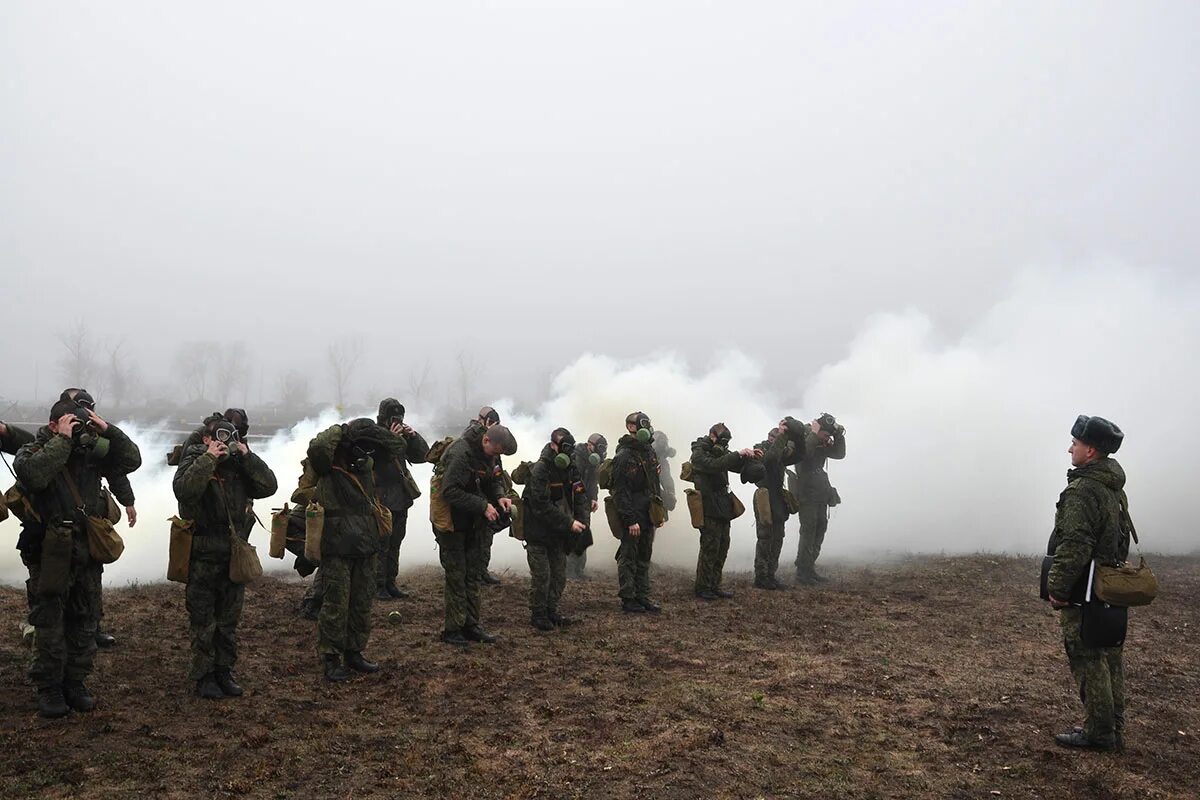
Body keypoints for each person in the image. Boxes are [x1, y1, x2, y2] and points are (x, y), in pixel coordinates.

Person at [14, 398, 141, 717]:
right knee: (50, 621)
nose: (79, 429)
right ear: (53, 424)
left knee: (85, 618)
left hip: (86, 549)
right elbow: (34, 475)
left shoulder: (92, 451)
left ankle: (75, 682)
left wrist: (107, 429)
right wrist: (62, 440)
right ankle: (50, 688)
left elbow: (130, 460)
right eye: (71, 422)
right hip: (50, 549)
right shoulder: (35, 449)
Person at [173, 414, 277, 699]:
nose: (224, 442)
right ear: (206, 439)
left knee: (229, 620)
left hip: (233, 554)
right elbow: (184, 491)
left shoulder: (239, 465)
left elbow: (269, 486)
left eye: (229, 437)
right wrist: (209, 458)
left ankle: (224, 670)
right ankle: (204, 675)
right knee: (204, 621)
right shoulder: (194, 458)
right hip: (203, 555)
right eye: (217, 436)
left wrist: (246, 456)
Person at [1046, 414, 1131, 751]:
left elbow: (1075, 544)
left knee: (1088, 659)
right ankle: (1113, 725)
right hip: (1110, 587)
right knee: (1110, 658)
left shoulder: (1083, 490)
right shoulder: (1112, 488)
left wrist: (1057, 588)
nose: (1070, 449)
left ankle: (1100, 733)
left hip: (1085, 591)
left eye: (1076, 444)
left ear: (1091, 451)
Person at [307, 418, 394, 681]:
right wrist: (342, 431)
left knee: (361, 602)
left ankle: (354, 651)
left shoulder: (366, 464)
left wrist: (370, 431)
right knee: (336, 603)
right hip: (337, 546)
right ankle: (331, 658)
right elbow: (318, 447)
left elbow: (396, 445)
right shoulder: (328, 465)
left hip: (366, 543)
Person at [62, 389, 135, 647]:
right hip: (58, 528)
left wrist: (128, 501)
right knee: (57, 585)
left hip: (89, 526)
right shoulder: (51, 437)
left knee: (91, 580)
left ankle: (92, 629)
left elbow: (121, 466)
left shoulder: (94, 441)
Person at [434, 422, 516, 645]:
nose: (495, 457)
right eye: (495, 452)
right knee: (457, 577)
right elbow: (449, 491)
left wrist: (499, 496)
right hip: (453, 525)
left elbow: (494, 479)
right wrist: (482, 506)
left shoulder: (490, 454)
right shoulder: (461, 453)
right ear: (486, 440)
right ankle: (453, 629)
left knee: (473, 575)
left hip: (473, 524)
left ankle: (471, 625)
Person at [522, 428, 589, 630]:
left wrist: (581, 521)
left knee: (559, 575)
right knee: (542, 576)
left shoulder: (571, 468)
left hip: (558, 532)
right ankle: (538, 614)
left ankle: (551, 610)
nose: (568, 452)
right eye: (564, 447)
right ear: (553, 445)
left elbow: (579, 496)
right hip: (538, 532)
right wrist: (568, 523)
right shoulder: (541, 470)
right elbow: (540, 505)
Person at [690, 423, 757, 600]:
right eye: (721, 440)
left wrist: (748, 458)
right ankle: (703, 586)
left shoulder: (721, 451)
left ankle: (714, 584)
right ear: (711, 435)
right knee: (710, 547)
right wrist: (737, 454)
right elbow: (713, 465)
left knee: (722, 546)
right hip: (708, 505)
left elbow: (733, 464)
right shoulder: (699, 451)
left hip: (722, 504)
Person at [372, 398, 430, 600]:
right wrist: (391, 438)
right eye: (392, 417)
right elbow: (376, 462)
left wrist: (413, 437)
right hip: (380, 498)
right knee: (381, 544)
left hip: (400, 497)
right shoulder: (374, 435)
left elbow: (423, 455)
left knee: (396, 541)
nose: (396, 420)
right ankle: (377, 585)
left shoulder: (400, 435)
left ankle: (390, 582)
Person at [611, 412, 665, 613]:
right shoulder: (624, 455)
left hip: (648, 511)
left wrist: (659, 513)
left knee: (644, 556)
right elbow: (620, 491)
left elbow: (654, 484)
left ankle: (643, 596)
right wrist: (630, 519)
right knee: (628, 556)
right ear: (630, 427)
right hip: (632, 512)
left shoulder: (649, 452)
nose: (647, 427)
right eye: (642, 424)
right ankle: (628, 598)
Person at [744, 418, 806, 590]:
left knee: (778, 537)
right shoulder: (760, 448)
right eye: (772, 436)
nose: (774, 438)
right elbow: (770, 459)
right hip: (764, 496)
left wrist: (797, 436)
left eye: (776, 436)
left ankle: (771, 574)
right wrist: (782, 436)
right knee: (765, 537)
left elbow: (800, 455)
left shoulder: (781, 451)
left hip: (778, 497)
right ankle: (761, 576)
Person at [790, 413, 846, 584]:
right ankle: (802, 572)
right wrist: (814, 435)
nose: (826, 438)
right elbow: (803, 455)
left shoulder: (819, 440)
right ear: (817, 429)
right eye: (825, 434)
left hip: (821, 490)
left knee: (820, 527)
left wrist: (838, 436)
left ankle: (809, 567)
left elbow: (839, 454)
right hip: (807, 492)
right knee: (809, 530)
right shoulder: (804, 438)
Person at [464, 406, 507, 585]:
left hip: (488, 493)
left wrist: (499, 494)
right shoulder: (470, 438)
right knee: (473, 538)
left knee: (487, 535)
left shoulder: (493, 443)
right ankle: (471, 571)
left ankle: (482, 570)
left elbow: (496, 468)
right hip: (473, 495)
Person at [566, 433, 605, 580]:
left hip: (585, 502)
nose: (601, 451)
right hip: (574, 502)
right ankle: (569, 571)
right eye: (599, 447)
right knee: (574, 534)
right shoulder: (576, 458)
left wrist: (594, 498)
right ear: (590, 445)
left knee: (584, 533)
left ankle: (579, 570)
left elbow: (593, 481)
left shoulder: (593, 461)